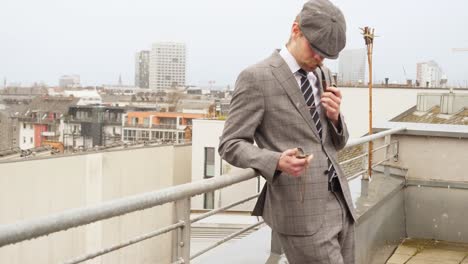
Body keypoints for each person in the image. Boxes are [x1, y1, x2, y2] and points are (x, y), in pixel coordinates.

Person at [218, 0, 356, 263]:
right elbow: (230, 143)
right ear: (296, 30)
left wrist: (336, 118)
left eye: (326, 55)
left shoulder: (323, 74)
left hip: (341, 202)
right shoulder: (256, 77)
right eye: (315, 49)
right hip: (300, 210)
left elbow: (335, 143)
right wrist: (276, 161)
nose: (319, 58)